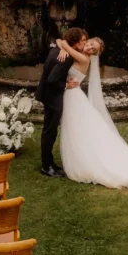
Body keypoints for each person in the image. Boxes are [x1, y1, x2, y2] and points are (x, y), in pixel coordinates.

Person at [55, 37, 128, 188]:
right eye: (91, 44)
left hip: (73, 95)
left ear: (94, 54)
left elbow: (64, 43)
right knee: (77, 130)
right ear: (88, 40)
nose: (90, 48)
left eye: (94, 49)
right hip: (72, 94)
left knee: (76, 130)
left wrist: (63, 46)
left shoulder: (84, 59)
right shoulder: (79, 52)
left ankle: (84, 162)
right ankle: (79, 158)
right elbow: (59, 40)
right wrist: (61, 46)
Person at [36, 27, 88, 177]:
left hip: (47, 95)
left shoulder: (59, 49)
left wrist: (62, 45)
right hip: (52, 97)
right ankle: (46, 166)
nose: (85, 43)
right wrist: (66, 85)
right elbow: (52, 79)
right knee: (49, 132)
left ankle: (49, 162)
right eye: (83, 40)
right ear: (75, 41)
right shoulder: (66, 57)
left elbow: (57, 41)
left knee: (49, 131)